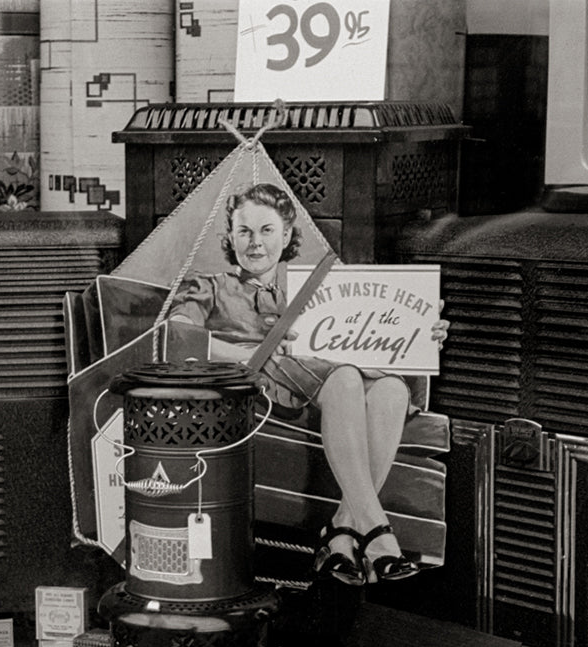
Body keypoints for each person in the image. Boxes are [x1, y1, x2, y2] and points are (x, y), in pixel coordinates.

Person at [167, 182, 448, 585]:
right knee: (347, 377)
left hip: (322, 379)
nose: (255, 243)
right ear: (230, 236)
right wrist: (244, 353)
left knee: (392, 390)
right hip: (263, 382)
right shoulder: (209, 286)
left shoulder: (314, 290)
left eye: (267, 230)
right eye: (244, 231)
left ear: (286, 235)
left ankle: (340, 532)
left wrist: (421, 328)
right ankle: (378, 535)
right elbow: (176, 335)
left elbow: (370, 329)